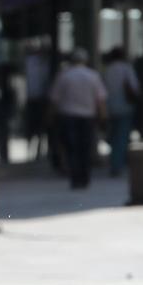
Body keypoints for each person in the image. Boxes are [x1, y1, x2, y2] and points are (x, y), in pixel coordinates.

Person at [48, 48, 108, 189]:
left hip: (68, 117)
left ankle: (75, 177)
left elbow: (54, 100)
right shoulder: (93, 76)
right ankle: (85, 177)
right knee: (85, 148)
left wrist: (50, 117)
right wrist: (103, 117)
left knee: (71, 148)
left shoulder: (64, 76)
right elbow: (100, 100)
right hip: (88, 117)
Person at [101, 47, 139, 178]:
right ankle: (117, 164)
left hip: (109, 107)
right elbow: (134, 87)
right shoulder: (126, 69)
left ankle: (115, 162)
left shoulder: (108, 70)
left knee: (113, 136)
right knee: (121, 136)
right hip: (125, 106)